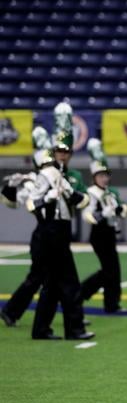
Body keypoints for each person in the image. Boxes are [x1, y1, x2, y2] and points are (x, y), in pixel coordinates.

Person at [24, 147, 93, 340]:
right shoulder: (47, 175)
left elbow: (78, 200)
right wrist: (47, 198)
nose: (63, 156)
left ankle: (41, 329)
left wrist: (75, 195)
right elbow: (31, 204)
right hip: (52, 231)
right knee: (70, 283)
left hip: (59, 230)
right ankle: (74, 329)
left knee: (52, 286)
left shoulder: (59, 175)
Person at [0, 127, 49, 328]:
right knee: (40, 277)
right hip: (43, 233)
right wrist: (12, 185)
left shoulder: (49, 178)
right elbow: (12, 203)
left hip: (52, 232)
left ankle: (12, 311)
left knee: (49, 277)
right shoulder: (33, 182)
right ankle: (11, 310)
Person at [80, 138, 127, 313]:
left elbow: (121, 209)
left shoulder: (109, 193)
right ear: (94, 177)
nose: (105, 178)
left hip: (109, 233)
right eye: (101, 175)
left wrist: (120, 209)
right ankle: (81, 293)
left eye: (106, 175)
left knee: (114, 271)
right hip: (99, 235)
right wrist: (101, 215)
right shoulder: (91, 193)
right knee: (109, 271)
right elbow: (87, 215)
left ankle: (111, 304)